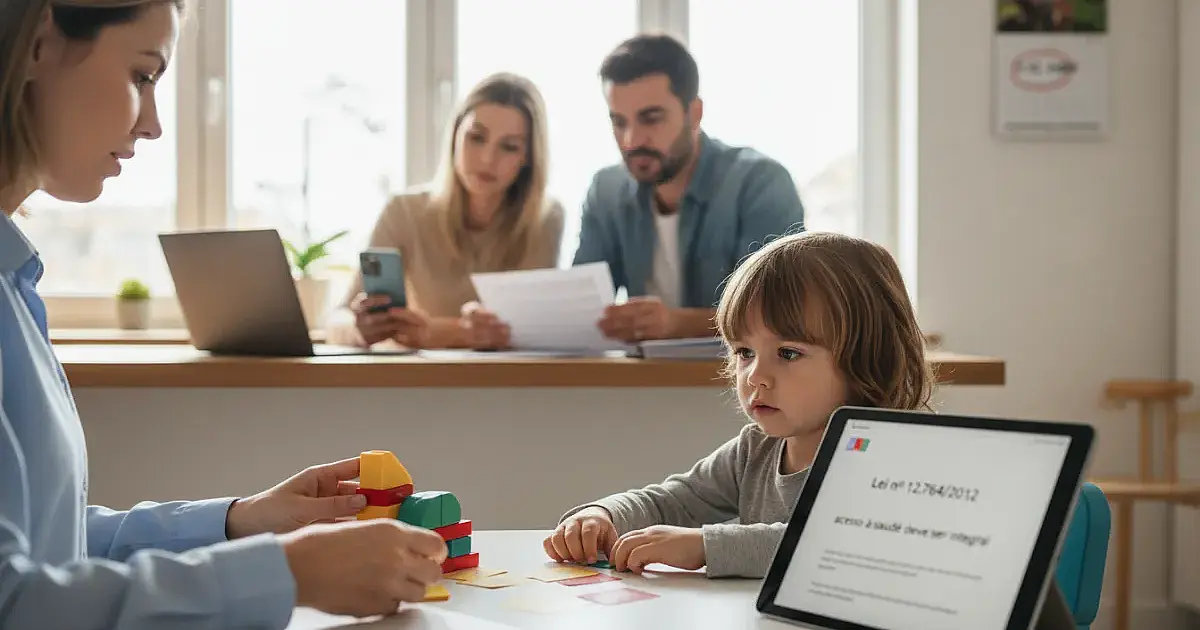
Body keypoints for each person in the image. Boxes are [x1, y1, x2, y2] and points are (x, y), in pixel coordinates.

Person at [0, 2, 447, 628]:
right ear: (39, 43)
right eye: (141, 75)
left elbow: (53, 549)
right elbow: (13, 600)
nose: (153, 124)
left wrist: (241, 522)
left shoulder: (14, 281)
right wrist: (287, 574)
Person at [545, 231, 935, 578]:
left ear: (869, 358)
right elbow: (670, 502)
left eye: (788, 353)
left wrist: (705, 546)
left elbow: (837, 545)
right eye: (745, 352)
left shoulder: (887, 455)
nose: (755, 376)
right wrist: (603, 515)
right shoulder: (755, 450)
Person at [574, 33, 806, 344]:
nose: (631, 141)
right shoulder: (606, 191)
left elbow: (778, 313)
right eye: (619, 122)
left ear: (694, 113)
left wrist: (676, 324)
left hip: (740, 373)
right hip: (639, 373)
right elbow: (583, 307)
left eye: (651, 119)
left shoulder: (760, 183)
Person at [326, 72, 563, 351]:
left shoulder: (545, 219)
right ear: (454, 137)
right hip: (416, 375)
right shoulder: (404, 212)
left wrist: (436, 333)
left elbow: (527, 330)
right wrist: (359, 328)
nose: (488, 159)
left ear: (528, 159)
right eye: (476, 137)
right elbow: (338, 319)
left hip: (500, 378)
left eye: (509, 147)